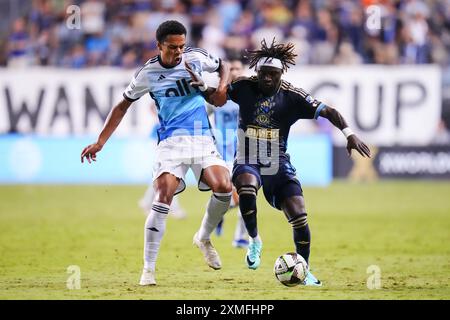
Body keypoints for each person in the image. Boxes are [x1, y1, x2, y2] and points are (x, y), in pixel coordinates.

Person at [190, 39, 371, 286]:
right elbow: (217, 98)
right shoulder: (243, 86)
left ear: (281, 74)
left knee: (299, 216)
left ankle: (304, 270)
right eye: (263, 74)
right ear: (257, 72)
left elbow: (329, 111)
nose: (266, 79)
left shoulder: (293, 96)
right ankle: (254, 240)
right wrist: (202, 88)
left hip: (278, 162)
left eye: (272, 75)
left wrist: (349, 134)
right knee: (245, 185)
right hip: (247, 157)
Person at [81, 20, 232, 286]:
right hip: (171, 143)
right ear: (159, 45)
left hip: (201, 137)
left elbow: (224, 66)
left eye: (182, 46)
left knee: (224, 186)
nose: (178, 52)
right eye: (173, 47)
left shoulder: (196, 57)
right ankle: (148, 269)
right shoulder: (147, 73)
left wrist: (221, 88)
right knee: (164, 196)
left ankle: (203, 237)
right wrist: (100, 142)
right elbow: (121, 106)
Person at [211, 58, 249, 248]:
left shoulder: (249, 93)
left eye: (237, 68)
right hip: (222, 154)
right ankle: (219, 214)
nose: (234, 71)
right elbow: (202, 112)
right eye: (231, 68)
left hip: (243, 152)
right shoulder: (219, 94)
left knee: (247, 194)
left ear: (243, 70)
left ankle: (240, 236)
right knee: (230, 196)